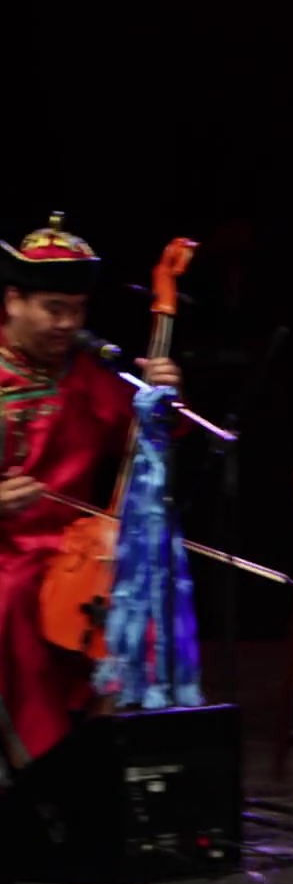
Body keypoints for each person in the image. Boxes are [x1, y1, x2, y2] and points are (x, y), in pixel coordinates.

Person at [0, 214, 182, 766]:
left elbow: (147, 451)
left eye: (77, 311)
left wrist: (162, 404)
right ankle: (42, 766)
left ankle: (112, 761)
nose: (67, 325)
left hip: (73, 553)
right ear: (13, 301)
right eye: (53, 309)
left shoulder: (90, 379)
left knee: (140, 595)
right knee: (12, 600)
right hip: (7, 558)